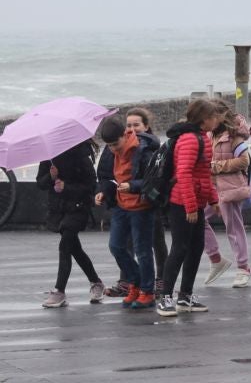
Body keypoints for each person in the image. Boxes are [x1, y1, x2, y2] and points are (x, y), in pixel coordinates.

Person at [156, 99, 221, 317]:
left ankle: (185, 295)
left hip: (196, 201)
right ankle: (166, 297)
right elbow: (183, 174)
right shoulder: (190, 140)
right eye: (213, 116)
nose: (217, 120)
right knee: (180, 248)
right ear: (204, 120)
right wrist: (190, 207)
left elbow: (203, 175)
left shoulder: (202, 138)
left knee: (195, 247)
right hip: (182, 203)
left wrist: (212, 199)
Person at [95, 116, 160, 309]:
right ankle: (136, 282)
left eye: (115, 144)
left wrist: (132, 186)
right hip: (120, 206)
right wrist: (102, 192)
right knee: (116, 247)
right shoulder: (109, 151)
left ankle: (147, 292)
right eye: (109, 145)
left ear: (125, 135)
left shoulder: (143, 150)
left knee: (142, 250)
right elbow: (105, 177)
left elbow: (154, 179)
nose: (113, 149)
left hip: (141, 206)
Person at [36, 140, 105, 308]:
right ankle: (96, 282)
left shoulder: (81, 155)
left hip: (78, 207)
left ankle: (59, 291)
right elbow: (40, 183)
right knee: (74, 248)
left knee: (65, 244)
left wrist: (66, 187)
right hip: (59, 208)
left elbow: (90, 186)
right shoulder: (49, 156)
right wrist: (51, 177)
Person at [203, 101, 251, 288]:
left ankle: (243, 267)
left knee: (233, 226)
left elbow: (243, 161)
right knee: (197, 217)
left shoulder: (234, 136)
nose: (207, 120)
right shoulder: (208, 134)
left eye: (210, 116)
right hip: (212, 188)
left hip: (230, 187)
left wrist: (215, 167)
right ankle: (216, 258)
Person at [125, 108, 168, 295]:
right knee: (128, 242)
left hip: (149, 199)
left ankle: (162, 279)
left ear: (146, 126)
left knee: (156, 240)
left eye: (137, 125)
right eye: (128, 125)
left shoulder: (152, 147)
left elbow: (156, 175)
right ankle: (127, 280)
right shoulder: (123, 145)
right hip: (128, 199)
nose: (132, 129)